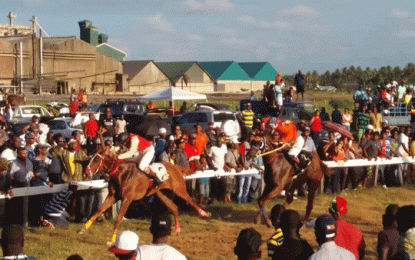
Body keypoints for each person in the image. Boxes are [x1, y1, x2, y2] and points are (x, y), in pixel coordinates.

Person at [4, 147, 34, 225]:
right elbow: (10, 177)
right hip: (17, 188)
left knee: (25, 207)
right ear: (18, 154)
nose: (25, 155)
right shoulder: (13, 163)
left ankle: (24, 224)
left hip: (27, 188)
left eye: (26, 153)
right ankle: (15, 225)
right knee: (17, 208)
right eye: (23, 153)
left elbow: (31, 176)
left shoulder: (29, 162)